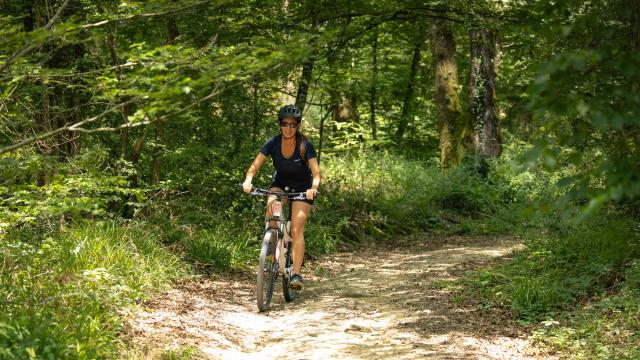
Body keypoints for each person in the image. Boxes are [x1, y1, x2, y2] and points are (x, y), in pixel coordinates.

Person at [242, 104, 320, 290]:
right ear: (280, 125)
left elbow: (316, 173)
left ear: (298, 126)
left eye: (293, 125)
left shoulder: (305, 145)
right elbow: (255, 165)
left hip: (302, 188)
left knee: (295, 229)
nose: (288, 128)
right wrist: (248, 180)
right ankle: (272, 250)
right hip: (280, 185)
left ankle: (296, 274)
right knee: (272, 216)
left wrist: (313, 188)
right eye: (285, 124)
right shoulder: (273, 143)